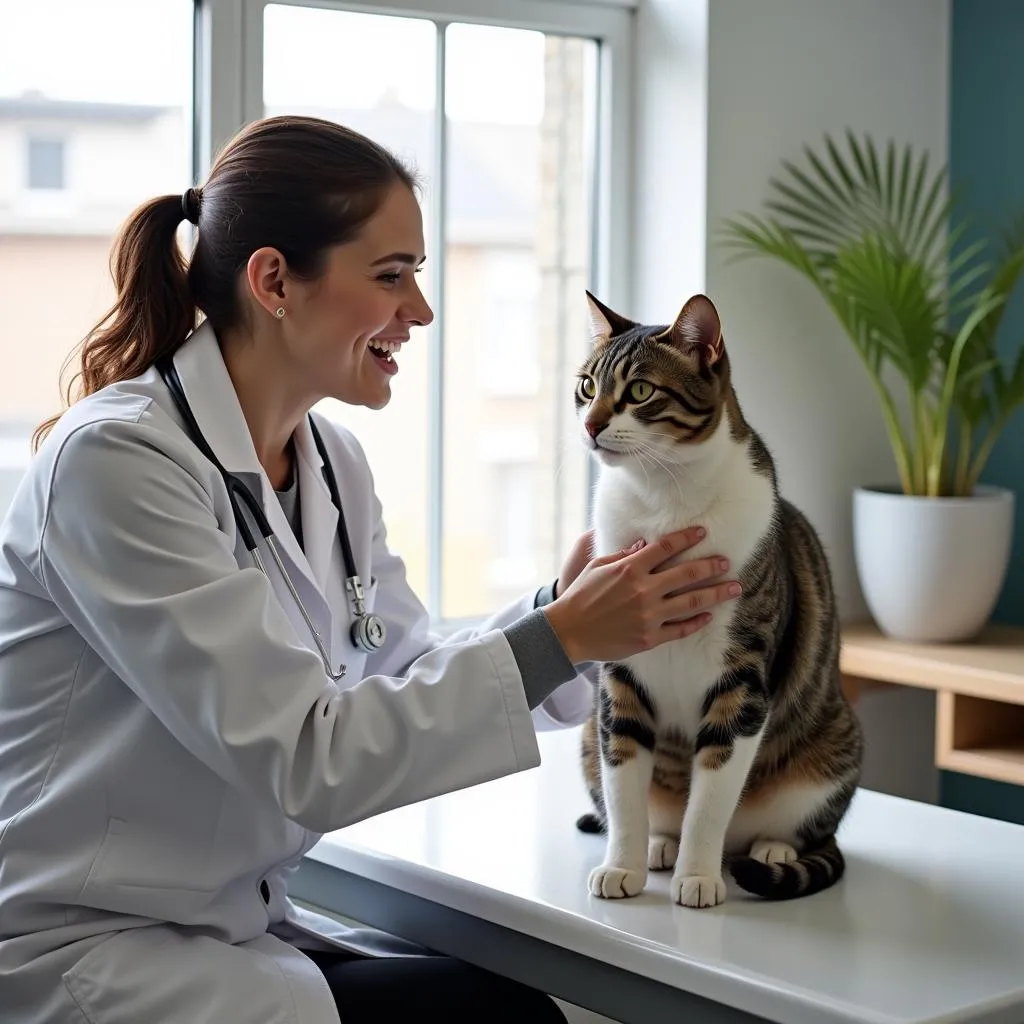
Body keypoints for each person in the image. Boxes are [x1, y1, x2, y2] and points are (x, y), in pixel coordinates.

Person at [0, 115, 739, 1024]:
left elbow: (401, 662)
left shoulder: (331, 462)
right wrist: (562, 637)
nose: (420, 311)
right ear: (274, 281)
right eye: (392, 276)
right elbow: (308, 755)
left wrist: (565, 613)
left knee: (513, 1003)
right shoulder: (115, 466)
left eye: (419, 276)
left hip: (232, 928)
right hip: (91, 954)